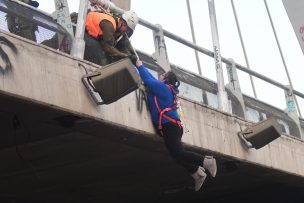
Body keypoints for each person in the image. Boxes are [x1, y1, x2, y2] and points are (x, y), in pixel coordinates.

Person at [134, 58, 217, 191]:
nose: (159, 75)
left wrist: (139, 66)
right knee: (176, 154)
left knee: (178, 152)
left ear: (165, 79)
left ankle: (207, 161)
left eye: (162, 74)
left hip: (170, 126)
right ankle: (197, 173)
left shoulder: (163, 88)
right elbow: (151, 78)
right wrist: (141, 65)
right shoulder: (164, 87)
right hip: (172, 126)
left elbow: (148, 80)